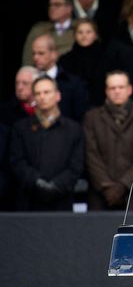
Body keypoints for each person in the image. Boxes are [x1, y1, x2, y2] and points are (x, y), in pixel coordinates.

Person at [10, 76, 84, 211]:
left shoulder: (73, 129)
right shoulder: (21, 128)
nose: (42, 97)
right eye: (38, 93)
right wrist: (37, 182)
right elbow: (17, 162)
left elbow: (76, 165)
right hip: (28, 201)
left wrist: (56, 185)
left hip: (62, 201)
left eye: (47, 92)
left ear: (57, 96)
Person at [83, 71, 133, 210]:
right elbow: (90, 155)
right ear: (106, 91)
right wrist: (107, 187)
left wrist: (122, 186)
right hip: (100, 196)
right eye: (112, 88)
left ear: (129, 90)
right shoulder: (92, 118)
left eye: (121, 87)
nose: (117, 91)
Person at [31, 34, 89, 122]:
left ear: (54, 55)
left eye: (41, 53)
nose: (35, 58)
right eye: (34, 53)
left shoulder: (73, 83)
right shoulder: (27, 80)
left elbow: (81, 117)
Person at [58, 19, 107, 108]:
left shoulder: (106, 59)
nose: (84, 35)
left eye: (88, 32)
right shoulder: (65, 60)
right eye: (80, 32)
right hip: (72, 106)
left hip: (100, 107)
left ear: (95, 35)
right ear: (75, 35)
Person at [22, 0, 75, 66]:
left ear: (69, 8)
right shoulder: (38, 30)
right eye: (50, 5)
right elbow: (28, 60)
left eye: (57, 5)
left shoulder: (81, 29)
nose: (52, 8)